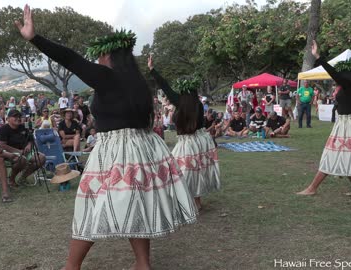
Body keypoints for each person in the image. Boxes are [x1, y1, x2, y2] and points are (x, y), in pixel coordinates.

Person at [16, 7, 196, 269]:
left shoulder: (108, 77)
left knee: (91, 205)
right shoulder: (137, 82)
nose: (97, 61)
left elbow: (71, 59)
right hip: (143, 148)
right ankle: (142, 264)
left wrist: (35, 38)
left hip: (116, 151)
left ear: (110, 56)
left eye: (100, 55)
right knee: (138, 205)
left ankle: (71, 267)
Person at [297, 40, 351, 198]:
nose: (336, 79)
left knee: (332, 155)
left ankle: (312, 188)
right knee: (347, 156)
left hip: (348, 125)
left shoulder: (349, 86)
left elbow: (335, 74)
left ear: (344, 75)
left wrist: (318, 57)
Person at [149, 54, 220, 211]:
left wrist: (152, 69)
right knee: (196, 172)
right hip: (201, 141)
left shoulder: (179, 101)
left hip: (188, 143)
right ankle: (196, 202)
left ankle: (189, 202)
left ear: (182, 90)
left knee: (181, 172)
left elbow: (165, 86)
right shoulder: (198, 105)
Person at [0, 109, 46, 187]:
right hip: (10, 153)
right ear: (8, 119)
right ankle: (11, 179)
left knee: (41, 158)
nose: (18, 118)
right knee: (22, 160)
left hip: (25, 152)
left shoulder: (23, 126)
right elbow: (1, 145)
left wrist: (29, 145)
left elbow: (30, 138)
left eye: (19, 116)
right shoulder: (3, 129)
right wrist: (18, 151)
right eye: (15, 116)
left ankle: (23, 177)